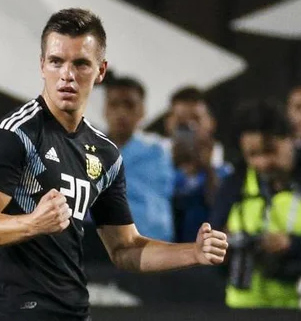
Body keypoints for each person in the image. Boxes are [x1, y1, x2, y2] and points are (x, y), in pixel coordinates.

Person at [0, 8, 228, 321]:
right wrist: (34, 222)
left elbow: (124, 249)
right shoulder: (14, 136)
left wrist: (194, 252)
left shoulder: (104, 153)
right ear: (41, 65)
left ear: (100, 71)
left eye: (81, 63)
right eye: (56, 61)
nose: (67, 75)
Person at [211, 100, 301, 308]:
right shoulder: (234, 186)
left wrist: (290, 245)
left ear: (290, 139)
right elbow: (212, 240)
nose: (263, 162)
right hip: (244, 311)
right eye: (252, 155)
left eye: (270, 151)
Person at [104, 76, 174, 241]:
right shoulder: (86, 150)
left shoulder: (159, 152)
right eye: (114, 104)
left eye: (129, 105)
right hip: (97, 250)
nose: (121, 112)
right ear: (105, 110)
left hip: (148, 246)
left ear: (142, 110)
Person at [165, 87, 231, 242]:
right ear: (169, 124)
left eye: (196, 119)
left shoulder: (226, 171)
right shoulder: (155, 168)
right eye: (181, 121)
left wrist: (207, 168)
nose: (189, 126)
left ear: (211, 123)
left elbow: (222, 211)